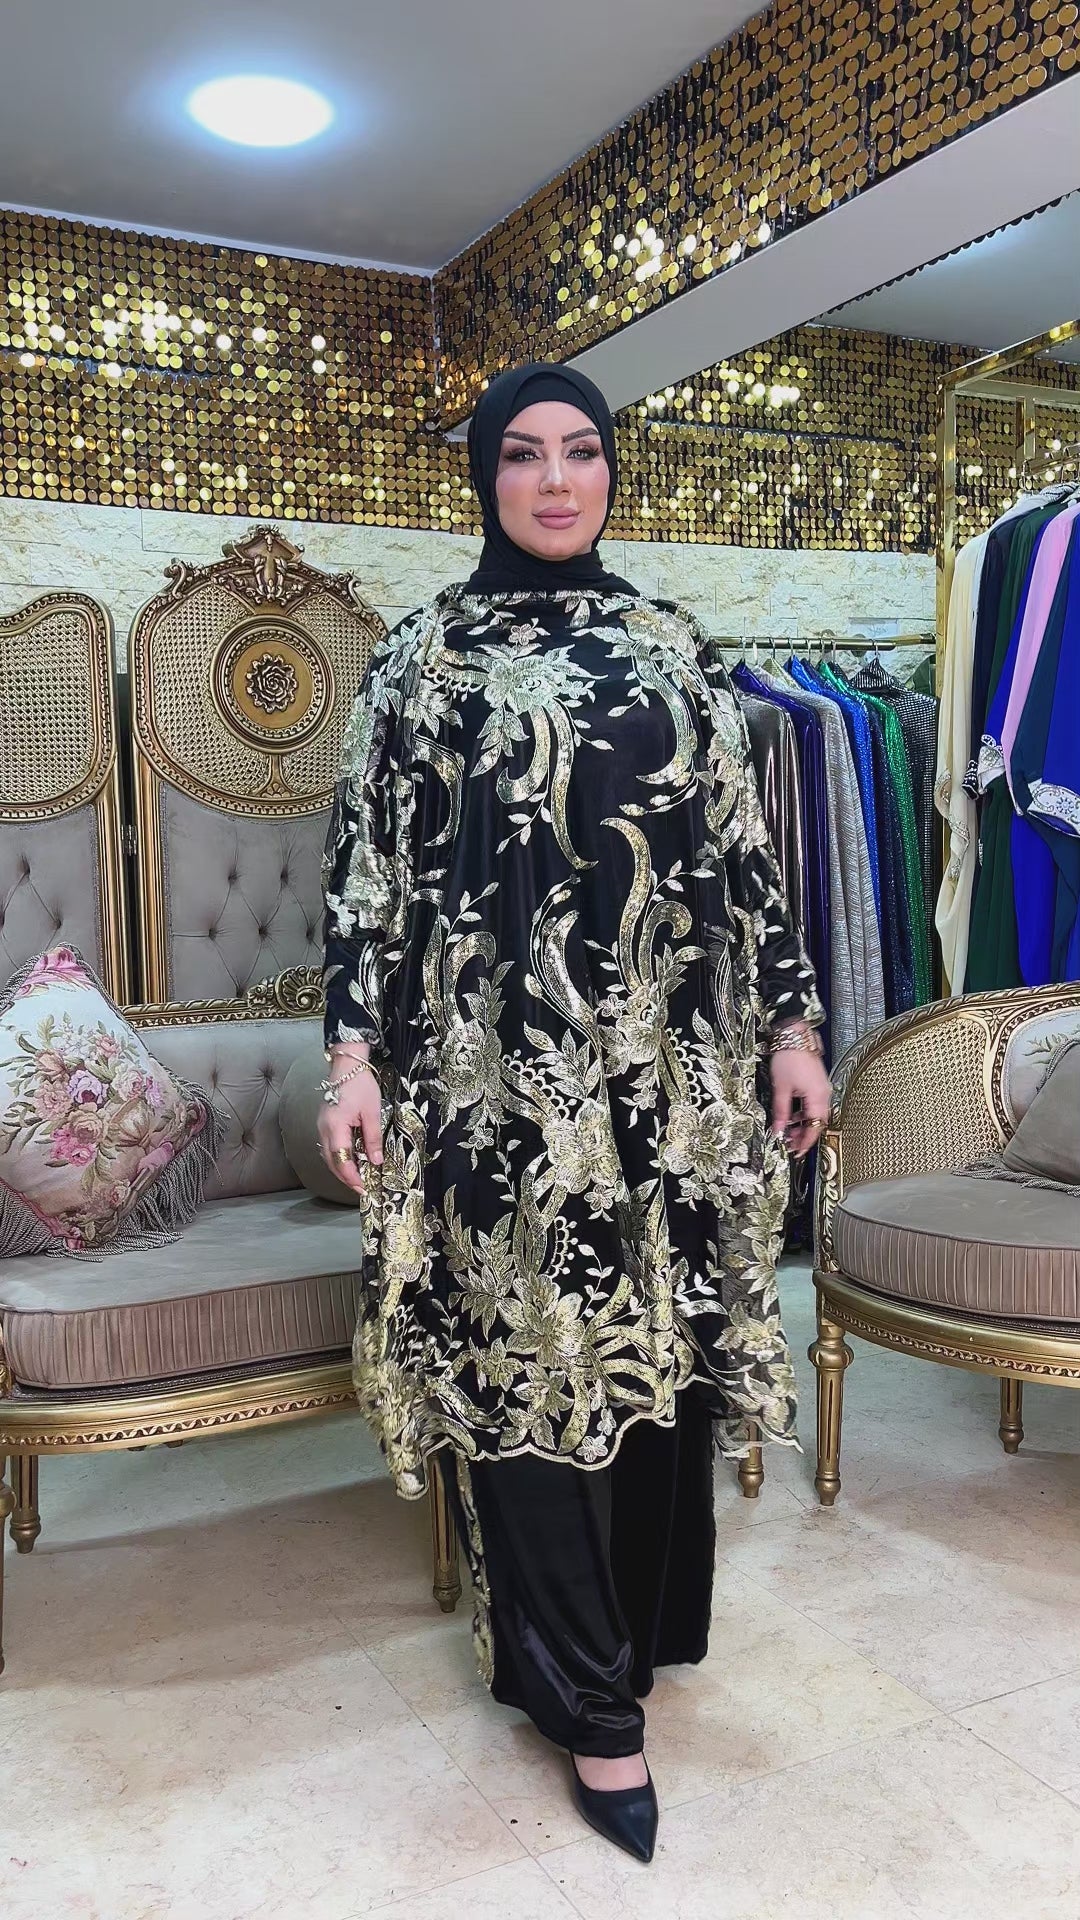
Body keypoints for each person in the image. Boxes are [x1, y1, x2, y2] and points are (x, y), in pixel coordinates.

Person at [319, 363, 831, 1863]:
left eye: (584, 452)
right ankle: (594, 1709)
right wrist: (353, 1062)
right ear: (484, 475)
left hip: (667, 1078)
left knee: (653, 1361)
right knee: (527, 1368)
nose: (557, 480)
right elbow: (366, 875)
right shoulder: (420, 660)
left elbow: (741, 857)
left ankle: (643, 1635)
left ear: (613, 472)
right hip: (492, 1085)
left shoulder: (670, 644)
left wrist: (793, 1028)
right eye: (525, 455)